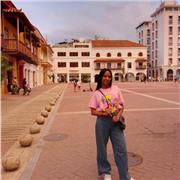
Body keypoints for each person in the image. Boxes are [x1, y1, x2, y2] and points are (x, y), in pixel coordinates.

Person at [89, 68, 134, 180]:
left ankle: (125, 176)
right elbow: (93, 111)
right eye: (104, 76)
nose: (107, 78)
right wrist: (104, 113)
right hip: (102, 123)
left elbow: (122, 105)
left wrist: (118, 116)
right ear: (101, 77)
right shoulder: (97, 93)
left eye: (109, 76)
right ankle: (106, 172)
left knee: (121, 149)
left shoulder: (116, 89)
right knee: (101, 148)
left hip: (116, 122)